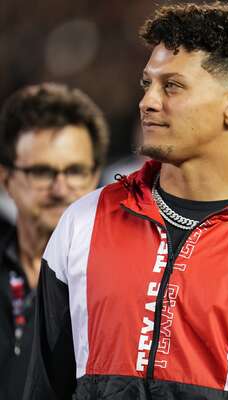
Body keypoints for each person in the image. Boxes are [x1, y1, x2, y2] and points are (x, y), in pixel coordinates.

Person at [24, 3, 228, 400]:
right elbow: (44, 386)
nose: (147, 101)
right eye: (148, 84)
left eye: (172, 86)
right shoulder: (84, 222)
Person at [0, 82, 109, 400]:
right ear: (6, 179)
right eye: (42, 172)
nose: (60, 189)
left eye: (75, 171)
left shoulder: (122, 284)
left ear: (95, 176)